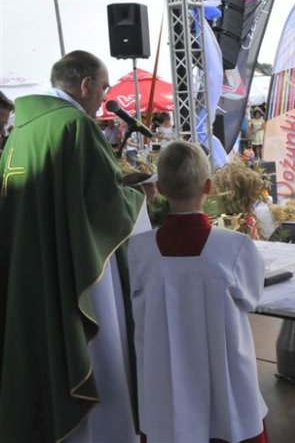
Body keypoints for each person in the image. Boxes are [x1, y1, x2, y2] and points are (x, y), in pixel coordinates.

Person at [0, 50, 146, 441]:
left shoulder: (20, 131)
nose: (104, 96)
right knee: (94, 350)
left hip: (30, 263)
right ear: (85, 85)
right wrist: (143, 196)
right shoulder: (76, 126)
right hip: (73, 265)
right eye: (103, 87)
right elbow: (107, 205)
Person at [128, 141, 267, 441]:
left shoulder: (139, 250)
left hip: (166, 382)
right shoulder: (234, 247)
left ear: (159, 189)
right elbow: (252, 298)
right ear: (208, 186)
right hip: (223, 372)